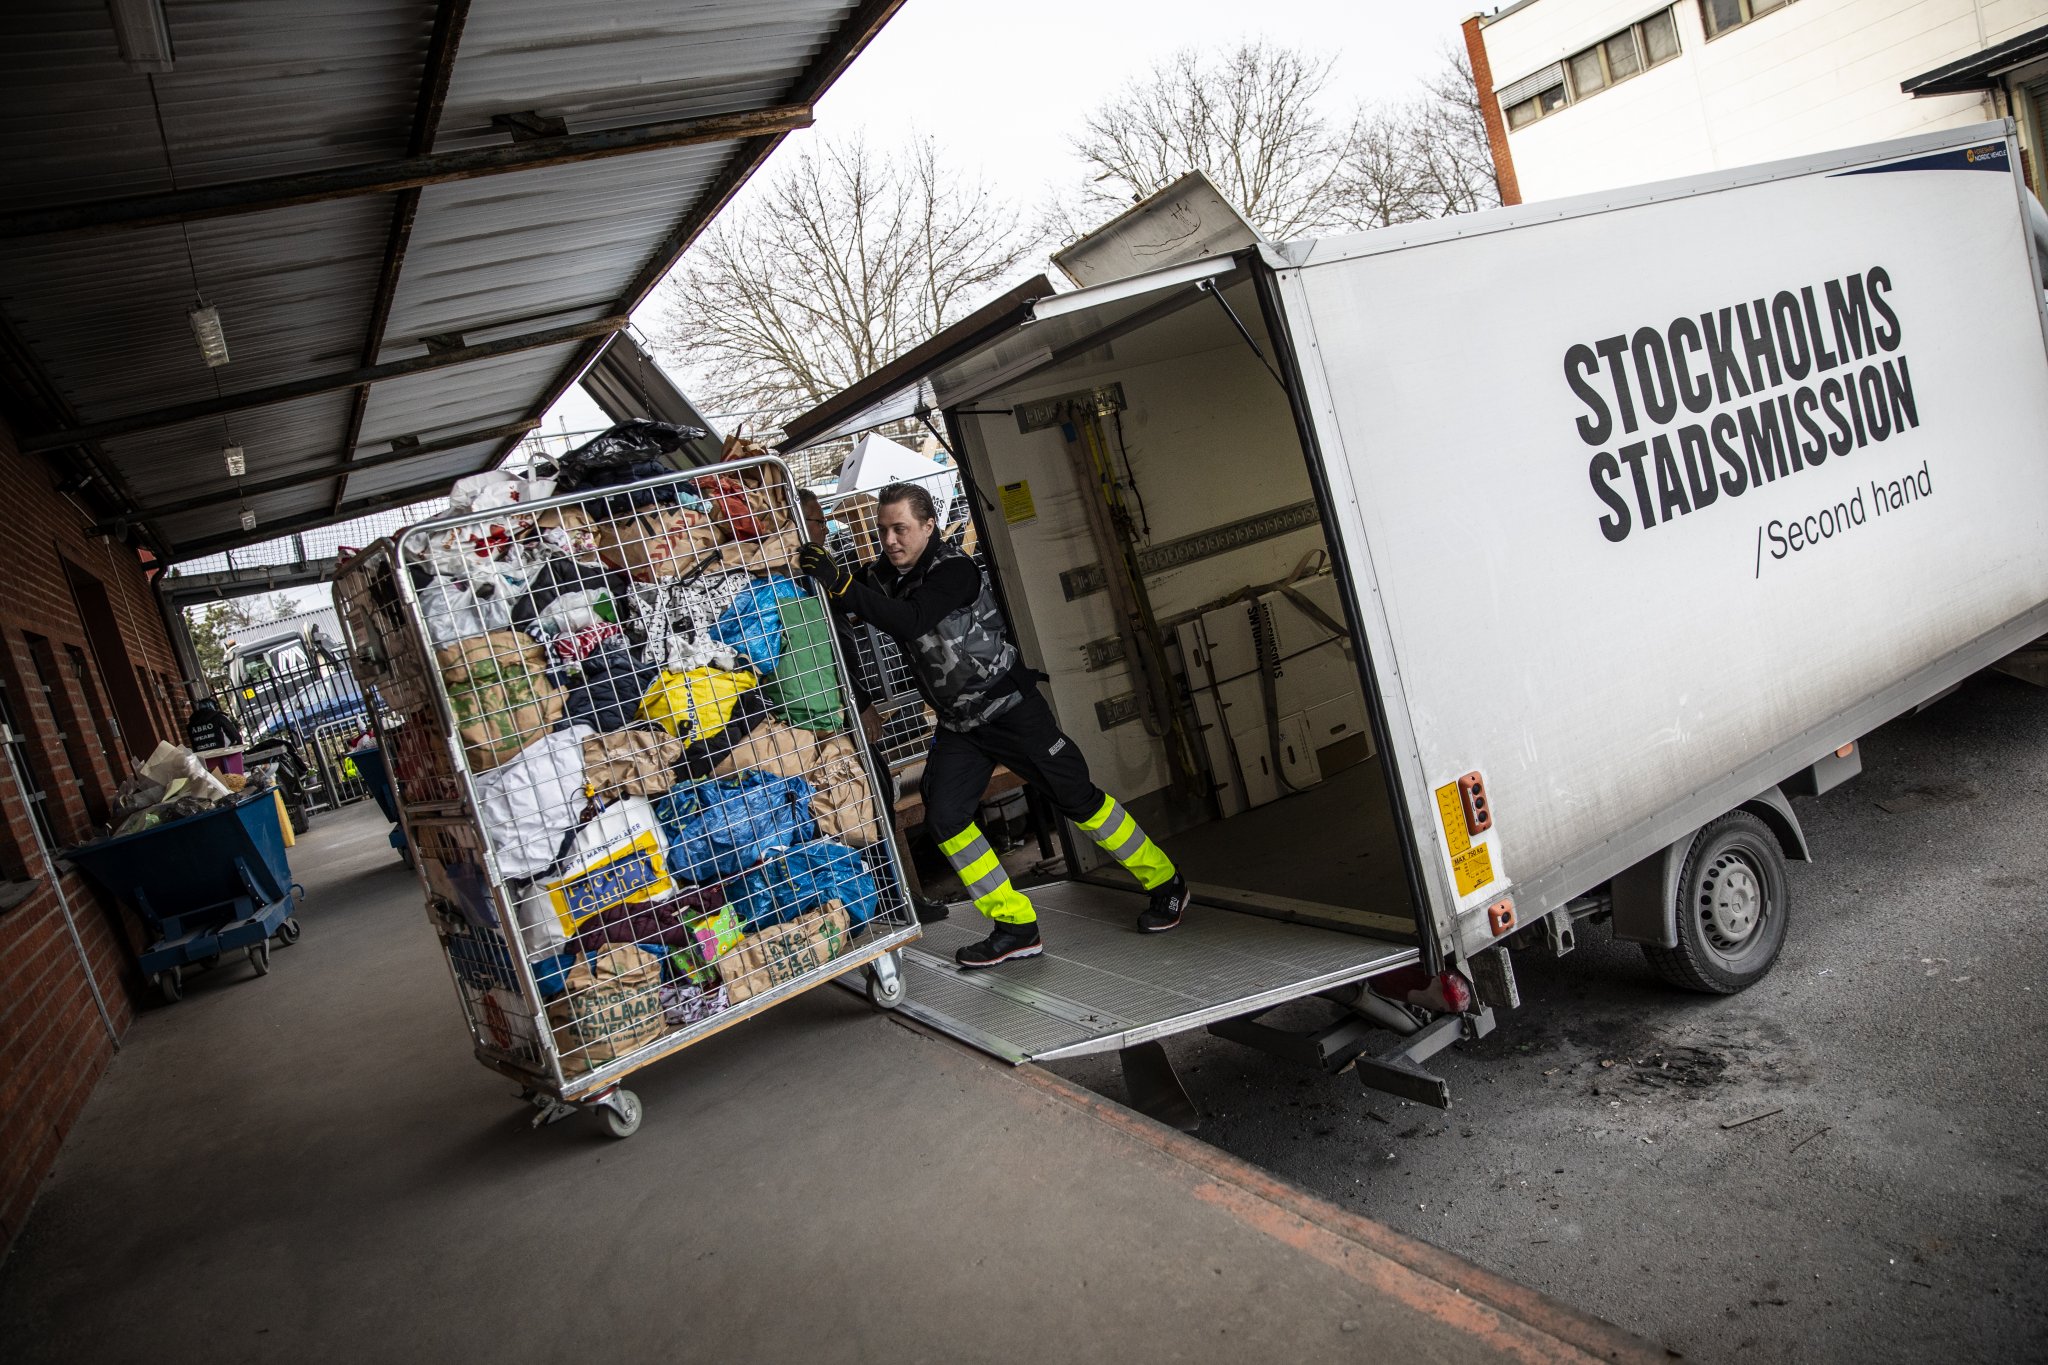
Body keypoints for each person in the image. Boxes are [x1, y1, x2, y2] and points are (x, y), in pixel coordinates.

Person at [798, 481, 1190, 969]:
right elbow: (848, 604)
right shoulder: (884, 575)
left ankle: (1165, 881)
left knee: (1077, 799)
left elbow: (912, 619)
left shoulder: (955, 570)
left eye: (901, 529)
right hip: (961, 726)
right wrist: (804, 569)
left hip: (1010, 710)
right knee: (946, 818)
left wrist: (843, 586)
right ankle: (1015, 926)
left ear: (928, 526)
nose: (890, 540)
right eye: (883, 531)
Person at [797, 488, 950, 924]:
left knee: (877, 794)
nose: (823, 528)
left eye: (897, 529)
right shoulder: (795, 583)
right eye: (814, 519)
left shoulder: (817, 577)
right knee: (862, 802)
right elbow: (826, 655)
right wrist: (861, 705)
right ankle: (884, 897)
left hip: (842, 704)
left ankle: (894, 894)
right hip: (832, 712)